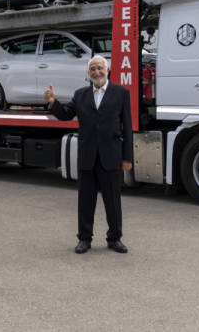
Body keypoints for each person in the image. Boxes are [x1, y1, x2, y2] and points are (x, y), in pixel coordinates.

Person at [44, 55, 133, 254]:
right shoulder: (80, 94)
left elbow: (127, 126)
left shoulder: (121, 93)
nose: (96, 72)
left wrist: (127, 157)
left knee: (113, 200)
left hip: (111, 156)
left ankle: (115, 238)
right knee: (85, 200)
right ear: (88, 73)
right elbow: (66, 114)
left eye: (100, 68)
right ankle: (84, 238)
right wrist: (52, 102)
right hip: (87, 156)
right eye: (92, 69)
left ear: (108, 70)